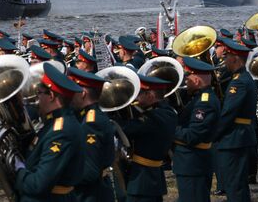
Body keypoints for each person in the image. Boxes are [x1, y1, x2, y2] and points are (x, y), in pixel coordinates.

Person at [14, 62, 85, 201]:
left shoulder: (61, 130)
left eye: (39, 93)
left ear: (51, 95)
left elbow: (38, 184)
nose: (37, 99)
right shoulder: (54, 123)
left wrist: (18, 171)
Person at [118, 73, 177, 202]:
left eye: (140, 93)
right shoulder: (167, 112)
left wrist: (115, 114)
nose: (136, 97)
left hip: (142, 179)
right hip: (154, 176)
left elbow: (126, 128)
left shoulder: (152, 118)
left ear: (150, 96)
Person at [213, 39, 256, 202]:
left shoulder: (239, 83)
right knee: (237, 184)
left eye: (227, 57)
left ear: (235, 59)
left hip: (235, 138)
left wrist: (212, 134)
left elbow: (228, 114)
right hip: (239, 137)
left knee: (234, 185)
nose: (224, 61)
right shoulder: (242, 78)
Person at [173, 56, 221, 202]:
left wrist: (169, 129)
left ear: (196, 80)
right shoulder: (200, 98)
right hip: (192, 163)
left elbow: (193, 135)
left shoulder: (204, 103)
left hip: (193, 163)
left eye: (188, 77)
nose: (185, 82)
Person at [67, 67, 115, 202]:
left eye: (72, 91)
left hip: (90, 195)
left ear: (82, 93)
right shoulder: (85, 116)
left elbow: (89, 172)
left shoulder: (91, 123)